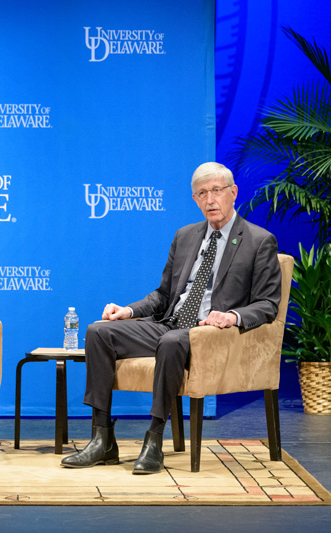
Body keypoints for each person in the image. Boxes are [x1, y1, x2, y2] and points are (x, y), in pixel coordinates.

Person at [61, 162, 282, 474]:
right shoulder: (186, 236)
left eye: (217, 191)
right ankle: (102, 439)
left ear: (233, 193)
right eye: (202, 194)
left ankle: (153, 440)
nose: (210, 200)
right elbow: (164, 295)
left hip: (210, 334)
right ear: (195, 199)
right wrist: (129, 311)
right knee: (99, 331)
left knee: (173, 340)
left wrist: (232, 316)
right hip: (170, 323)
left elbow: (268, 304)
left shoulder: (259, 241)